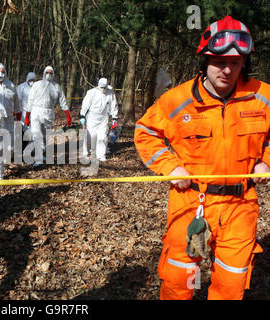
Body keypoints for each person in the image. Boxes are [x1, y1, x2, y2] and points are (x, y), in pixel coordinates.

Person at [134, 16, 270, 300]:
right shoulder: (177, 100)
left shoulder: (263, 97)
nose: (228, 70)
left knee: (231, 285)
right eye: (220, 62)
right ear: (205, 60)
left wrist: (266, 160)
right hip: (191, 203)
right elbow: (146, 131)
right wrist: (171, 166)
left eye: (236, 62)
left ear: (244, 62)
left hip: (241, 205)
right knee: (180, 279)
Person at [24, 66, 72, 167]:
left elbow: (62, 101)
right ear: (44, 73)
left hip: (49, 112)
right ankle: (38, 159)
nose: (48, 74)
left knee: (46, 136)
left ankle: (42, 153)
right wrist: (27, 116)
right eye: (47, 72)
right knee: (37, 135)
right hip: (36, 111)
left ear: (53, 74)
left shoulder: (56, 86)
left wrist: (68, 115)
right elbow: (30, 100)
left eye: (50, 73)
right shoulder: (37, 85)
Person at [0, 63, 21, 161]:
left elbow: (17, 104)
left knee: (9, 144)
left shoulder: (11, 86)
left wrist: (18, 119)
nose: (0, 74)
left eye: (2, 71)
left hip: (9, 118)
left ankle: (5, 160)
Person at [79, 78, 118, 161]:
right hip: (92, 116)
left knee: (102, 136)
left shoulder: (110, 92)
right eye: (102, 87)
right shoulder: (92, 92)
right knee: (91, 135)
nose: (103, 89)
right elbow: (85, 104)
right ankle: (87, 150)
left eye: (105, 87)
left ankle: (101, 155)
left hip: (104, 117)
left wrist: (114, 117)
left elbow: (113, 105)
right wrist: (82, 115)